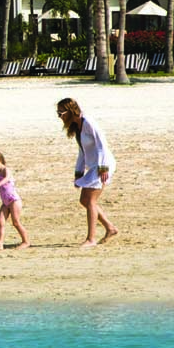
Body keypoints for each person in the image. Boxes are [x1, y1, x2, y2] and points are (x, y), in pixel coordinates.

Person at [57, 97, 119, 247]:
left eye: (61, 113)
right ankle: (110, 228)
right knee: (84, 200)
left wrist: (103, 167)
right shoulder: (77, 126)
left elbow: (101, 144)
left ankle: (91, 239)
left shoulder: (88, 122)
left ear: (70, 111)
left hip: (103, 165)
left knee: (90, 201)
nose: (59, 117)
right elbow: (82, 151)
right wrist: (78, 172)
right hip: (93, 166)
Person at [0, 149, 30, 250]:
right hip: (5, 202)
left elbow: (7, 178)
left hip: (14, 201)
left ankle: (26, 241)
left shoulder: (6, 170)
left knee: (16, 222)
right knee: (0, 222)